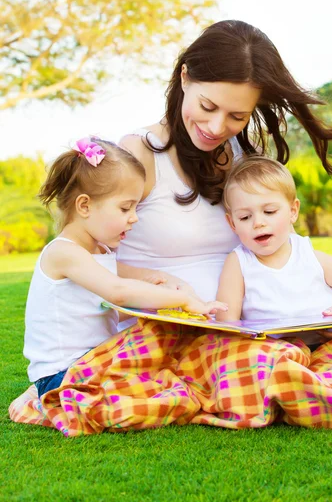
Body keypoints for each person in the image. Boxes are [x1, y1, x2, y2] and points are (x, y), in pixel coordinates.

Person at [118, 19, 332, 375]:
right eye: (208, 107)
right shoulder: (140, 153)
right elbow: (83, 256)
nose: (216, 128)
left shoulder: (242, 152)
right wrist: (162, 284)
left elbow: (283, 251)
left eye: (237, 116)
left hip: (284, 314)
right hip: (199, 329)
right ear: (184, 78)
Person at [24, 137, 227, 398]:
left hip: (92, 364)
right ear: (84, 206)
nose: (135, 217)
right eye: (125, 208)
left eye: (135, 206)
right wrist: (183, 299)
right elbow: (118, 291)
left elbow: (141, 282)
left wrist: (168, 285)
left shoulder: (100, 252)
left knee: (166, 352)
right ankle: (41, 401)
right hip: (63, 375)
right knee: (160, 366)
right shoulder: (64, 252)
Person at [216, 156, 332, 329]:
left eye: (269, 211)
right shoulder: (239, 262)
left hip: (325, 343)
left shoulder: (311, 257)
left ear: (293, 211)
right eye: (245, 217)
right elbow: (227, 321)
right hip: (271, 349)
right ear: (232, 224)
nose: (258, 222)